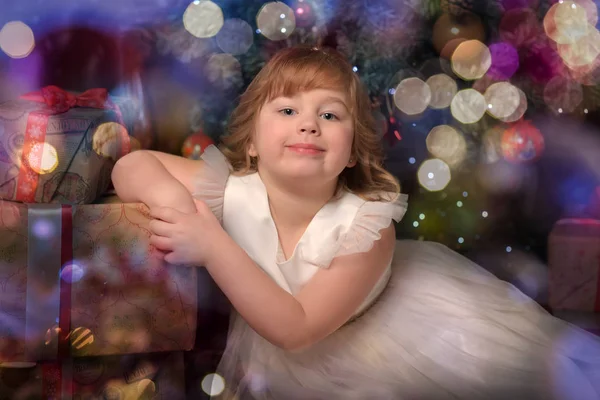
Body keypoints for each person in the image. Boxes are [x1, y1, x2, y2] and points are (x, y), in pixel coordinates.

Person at [111, 46, 600, 399]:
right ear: (253, 145)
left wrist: (211, 243)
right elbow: (130, 166)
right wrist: (174, 204)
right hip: (293, 357)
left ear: (350, 155)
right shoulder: (233, 187)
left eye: (330, 114)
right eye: (287, 110)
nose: (309, 124)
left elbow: (296, 328)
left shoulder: (367, 227)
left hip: (402, 341)